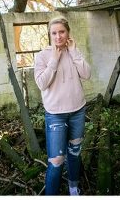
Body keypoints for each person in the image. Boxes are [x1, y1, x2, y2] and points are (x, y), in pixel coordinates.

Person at [34, 17, 91, 195]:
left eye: (62, 32)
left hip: (77, 112)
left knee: (74, 153)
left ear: (68, 33)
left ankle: (73, 188)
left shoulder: (74, 51)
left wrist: (74, 52)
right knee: (56, 161)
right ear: (49, 35)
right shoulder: (42, 55)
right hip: (55, 115)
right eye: (54, 33)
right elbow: (42, 83)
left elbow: (87, 74)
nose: (58, 36)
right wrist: (54, 60)